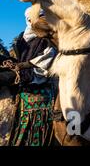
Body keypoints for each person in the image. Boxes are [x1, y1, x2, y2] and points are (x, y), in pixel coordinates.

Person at [7, 7, 58, 146]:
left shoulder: (49, 38)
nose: (32, 21)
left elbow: (48, 60)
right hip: (24, 90)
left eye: (39, 17)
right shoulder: (21, 38)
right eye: (30, 19)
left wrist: (23, 67)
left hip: (42, 86)